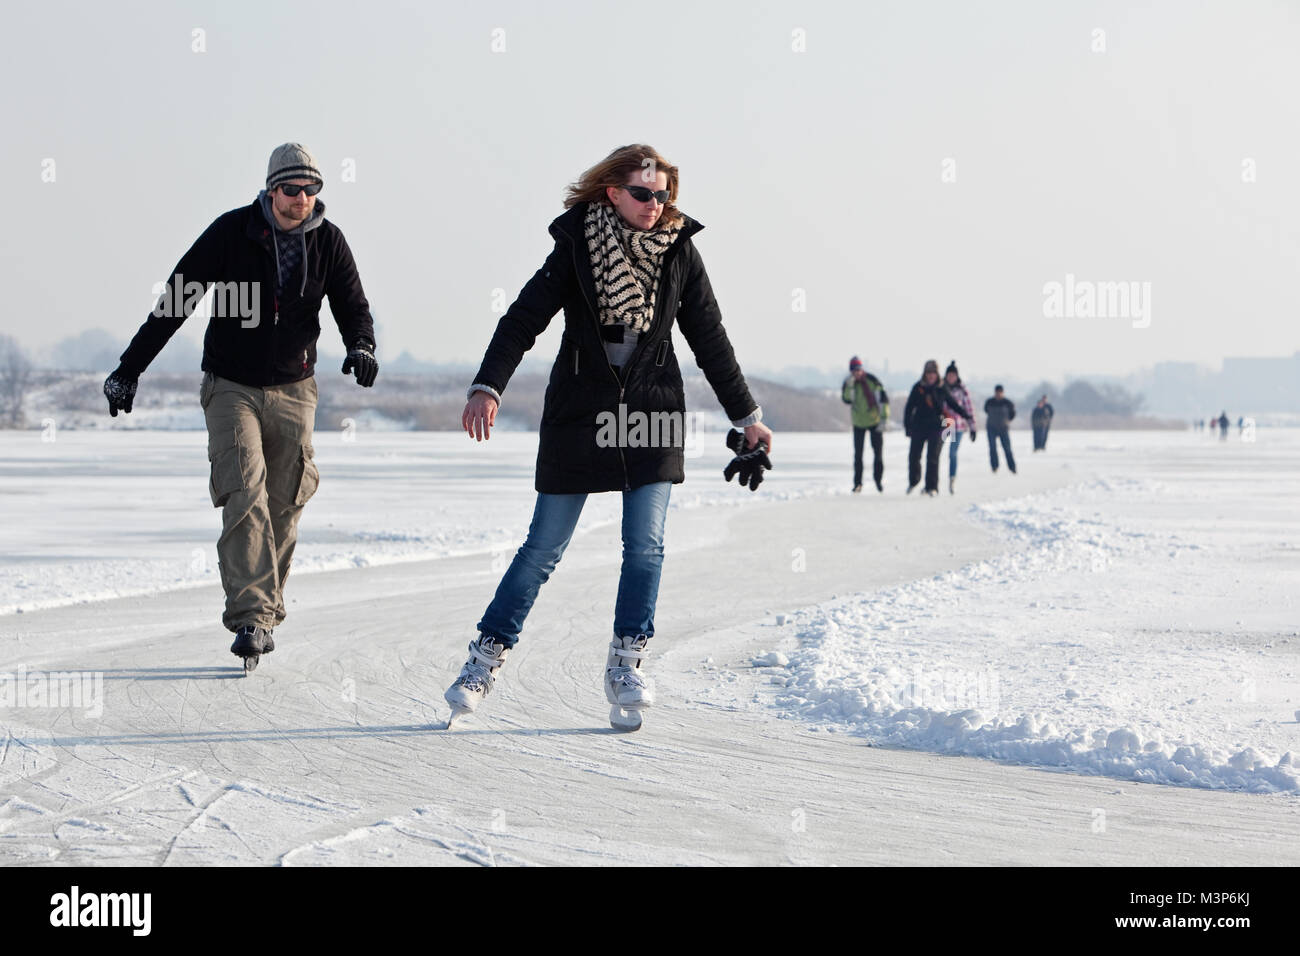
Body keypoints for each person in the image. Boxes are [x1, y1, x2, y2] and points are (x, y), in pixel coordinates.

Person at [448, 144, 772, 731]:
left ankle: (627, 661)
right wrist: (488, 386)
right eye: (644, 193)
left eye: (664, 195)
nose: (656, 205)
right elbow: (523, 319)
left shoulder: (679, 253)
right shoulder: (576, 247)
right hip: (581, 413)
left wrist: (746, 414)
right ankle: (484, 659)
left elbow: (710, 337)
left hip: (653, 414)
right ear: (612, 193)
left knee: (645, 546)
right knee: (543, 548)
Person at [102, 143, 379, 671]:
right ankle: (251, 618)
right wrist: (128, 368)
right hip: (231, 386)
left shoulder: (329, 243)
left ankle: (265, 611)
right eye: (292, 190)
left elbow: (352, 305)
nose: (301, 200)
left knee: (284, 502)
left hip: (295, 388)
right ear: (271, 189)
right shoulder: (232, 233)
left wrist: (361, 346)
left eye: (311, 190)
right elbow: (176, 300)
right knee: (244, 493)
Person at [903, 359, 974, 496]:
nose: (931, 376)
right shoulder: (918, 388)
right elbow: (909, 407)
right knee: (914, 456)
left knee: (933, 457)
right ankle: (914, 480)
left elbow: (952, 403)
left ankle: (932, 487)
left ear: (937, 374)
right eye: (928, 373)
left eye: (933, 373)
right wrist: (908, 425)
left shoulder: (941, 388)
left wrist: (965, 414)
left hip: (937, 426)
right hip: (919, 425)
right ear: (924, 373)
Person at [841, 355, 889, 492]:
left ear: (862, 369)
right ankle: (857, 483)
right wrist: (850, 386)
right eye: (854, 371)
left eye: (858, 370)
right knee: (858, 455)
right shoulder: (849, 384)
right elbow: (846, 399)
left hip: (874, 421)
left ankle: (878, 480)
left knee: (878, 454)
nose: (856, 373)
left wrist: (884, 418)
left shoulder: (872, 381)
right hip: (858, 422)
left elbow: (883, 399)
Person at [941, 361, 976, 494]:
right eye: (949, 375)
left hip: (958, 425)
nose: (951, 378)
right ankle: (932, 482)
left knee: (952, 453)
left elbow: (968, 408)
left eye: (953, 375)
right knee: (936, 452)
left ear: (956, 376)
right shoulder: (942, 387)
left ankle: (952, 478)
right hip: (945, 424)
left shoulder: (962, 390)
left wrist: (972, 427)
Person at [984, 384, 1017, 474]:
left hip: (1003, 429)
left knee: (1007, 448)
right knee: (992, 448)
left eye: (1000, 392)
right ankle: (994, 466)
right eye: (997, 392)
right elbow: (986, 410)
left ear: (1003, 393)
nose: (998, 394)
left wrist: (1006, 421)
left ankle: (1012, 467)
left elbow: (1013, 414)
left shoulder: (1008, 403)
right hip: (991, 428)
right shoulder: (989, 402)